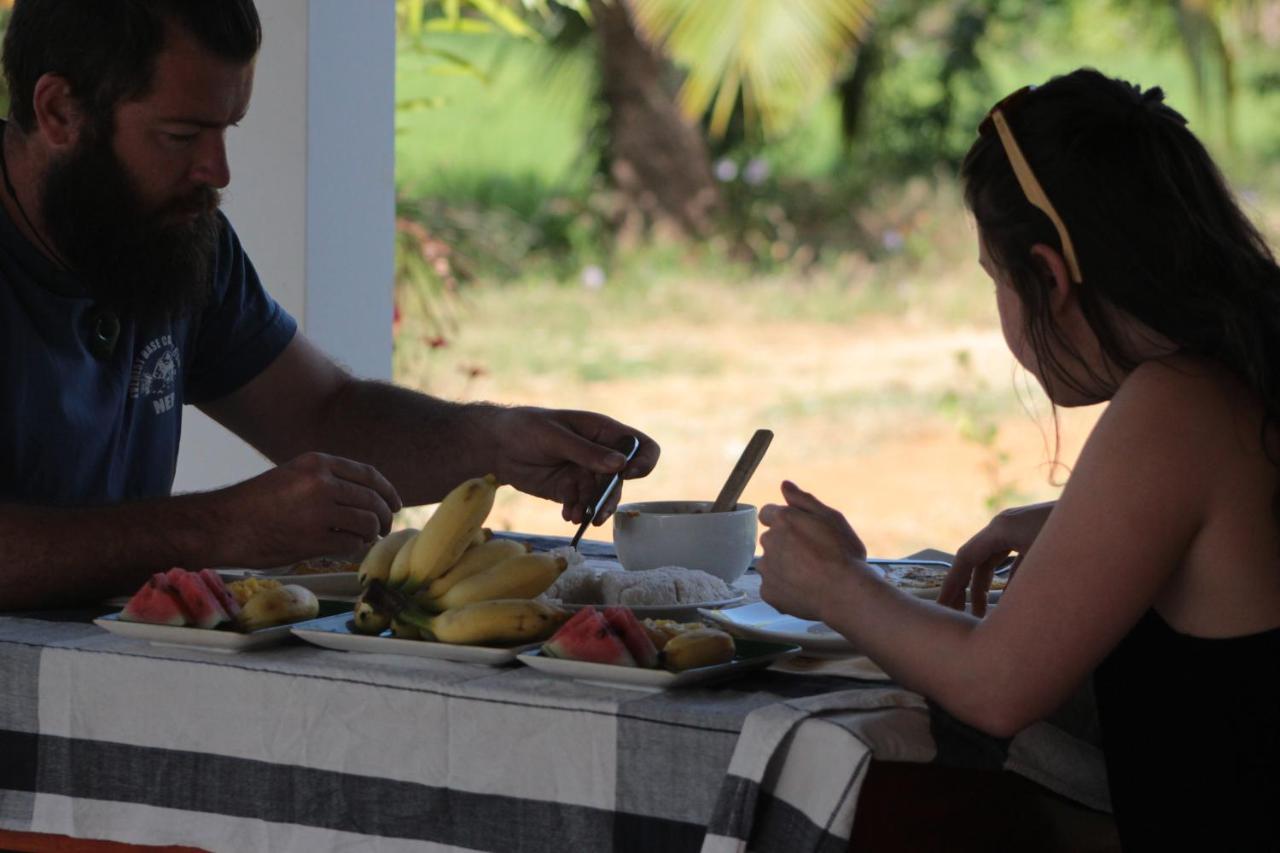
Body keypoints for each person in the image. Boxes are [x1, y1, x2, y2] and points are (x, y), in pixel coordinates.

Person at [755, 68, 1280, 849]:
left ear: (1050, 275)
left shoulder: (1176, 403)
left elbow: (997, 686)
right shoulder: (1248, 364)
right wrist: (1077, 521)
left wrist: (839, 584)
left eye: (998, 280)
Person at [0, 0, 658, 611]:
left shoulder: (173, 234)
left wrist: (496, 442)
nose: (218, 171)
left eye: (227, 129)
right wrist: (219, 528)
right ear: (59, 111)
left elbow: (320, 412)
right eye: (180, 135)